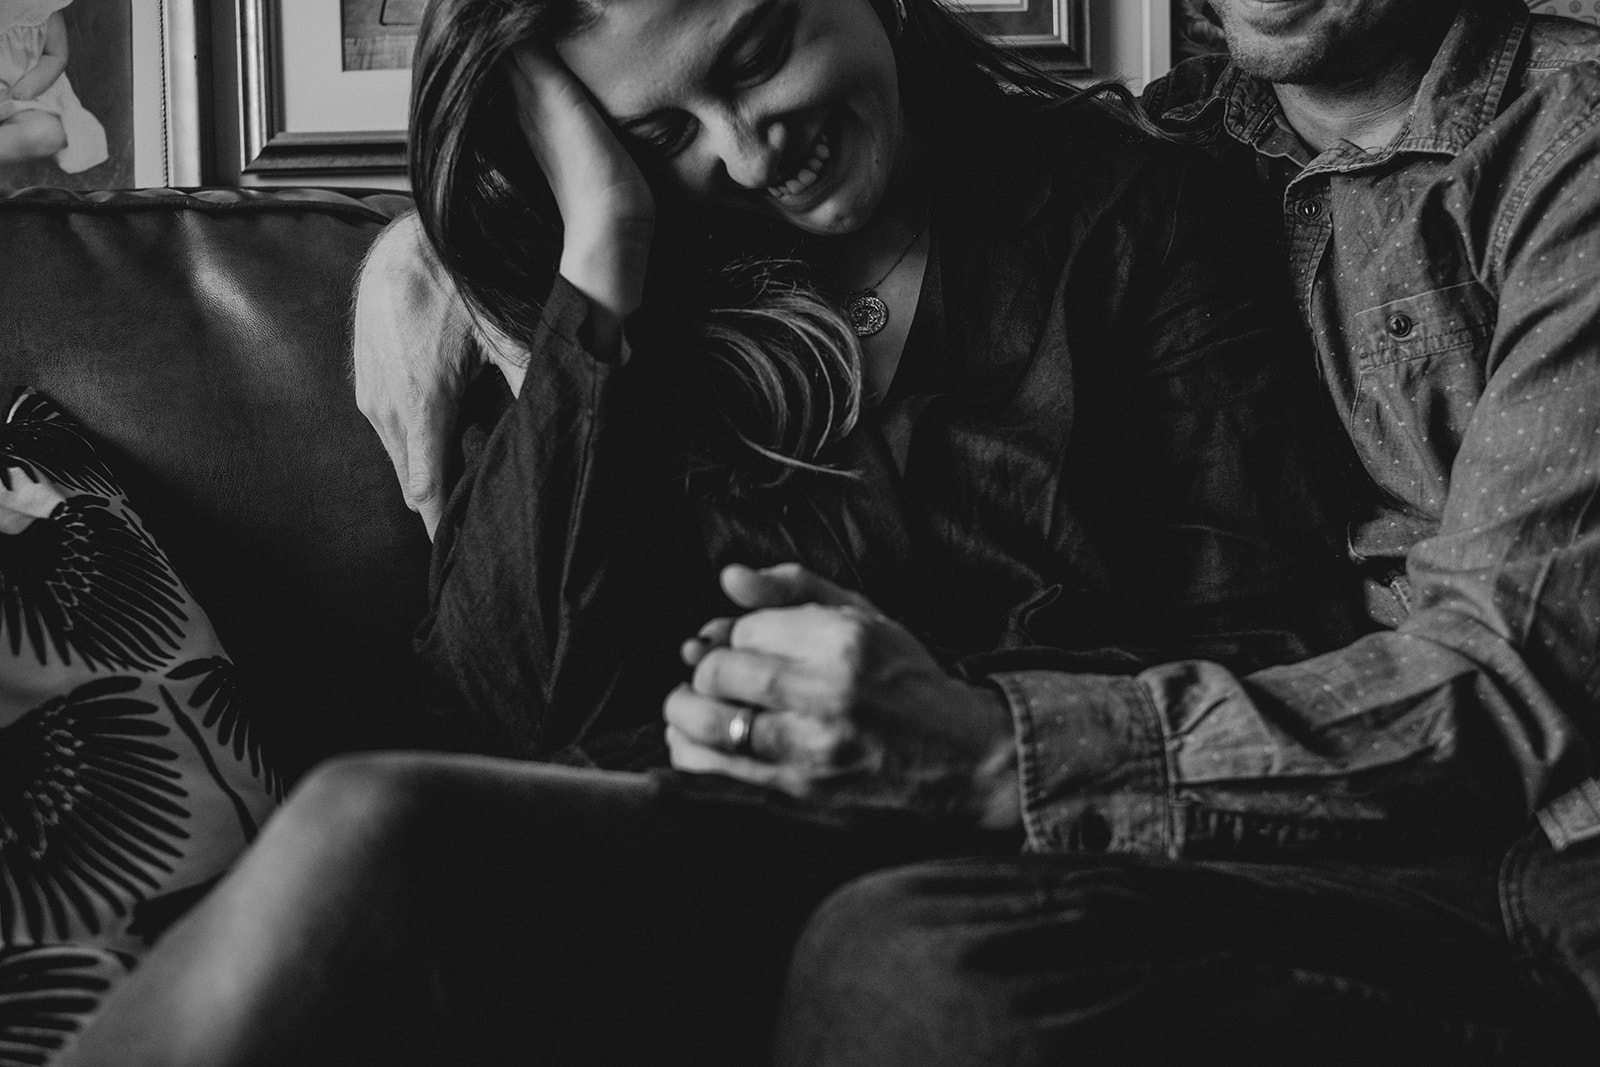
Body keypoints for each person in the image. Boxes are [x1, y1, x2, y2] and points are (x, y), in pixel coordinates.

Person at [48, 1, 1570, 1066]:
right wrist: (585, 253)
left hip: (1082, 851)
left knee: (912, 962)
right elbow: (509, 700)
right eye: (661, 130)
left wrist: (958, 730)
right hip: (733, 840)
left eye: (759, 46)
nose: (750, 147)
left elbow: (1358, 642)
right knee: (382, 826)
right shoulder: (673, 285)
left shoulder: (1139, 203)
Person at [766, 0, 1600, 1062]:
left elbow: (1522, 669)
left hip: (1567, 847)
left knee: (915, 967)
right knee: (894, 944)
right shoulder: (1161, 149)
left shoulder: (1572, 133)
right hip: (1340, 847)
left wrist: (998, 752)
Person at [0, 0, 106, 173]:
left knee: (47, 133)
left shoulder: (42, 5)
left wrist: (22, 91)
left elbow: (55, 56)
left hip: (27, 94)